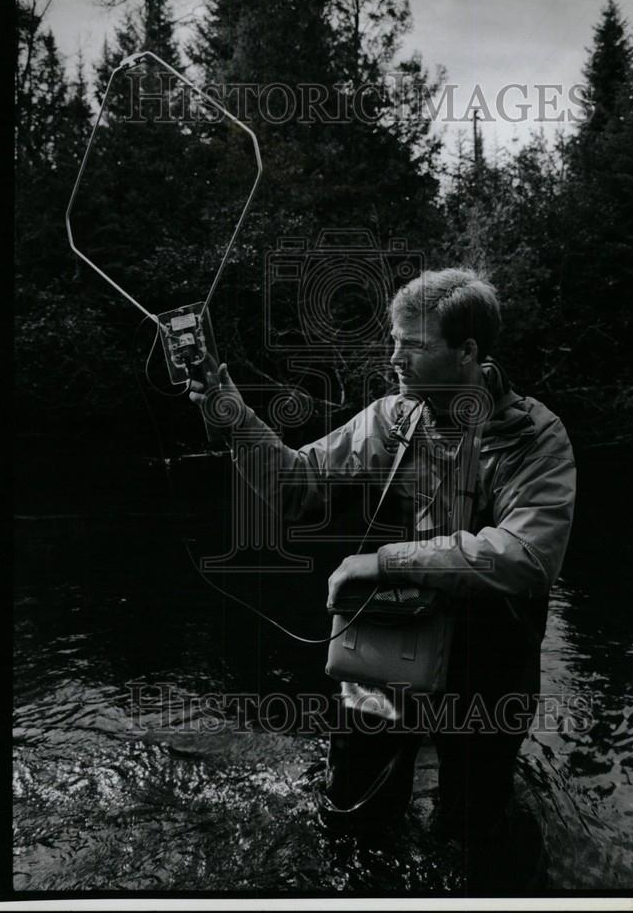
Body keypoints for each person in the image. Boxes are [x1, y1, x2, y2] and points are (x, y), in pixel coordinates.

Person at [189, 268, 576, 892]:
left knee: (472, 832)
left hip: (490, 657)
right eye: (394, 341)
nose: (393, 357)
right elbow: (297, 487)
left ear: (468, 352)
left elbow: (526, 555)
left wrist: (385, 561)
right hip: (386, 648)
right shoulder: (392, 419)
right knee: (351, 817)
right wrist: (228, 410)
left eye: (413, 345)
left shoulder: (535, 436)